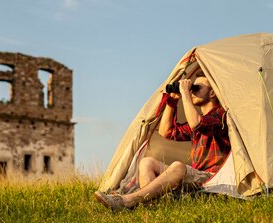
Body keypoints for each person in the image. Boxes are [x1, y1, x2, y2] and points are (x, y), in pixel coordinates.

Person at [94, 72, 230, 210]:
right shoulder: (198, 119)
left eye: (197, 88)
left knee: (178, 166)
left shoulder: (222, 115)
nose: (192, 90)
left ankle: (127, 201)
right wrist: (172, 102)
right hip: (197, 176)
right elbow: (166, 131)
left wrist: (185, 93)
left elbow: (197, 124)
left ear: (212, 93)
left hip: (213, 179)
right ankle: (150, 204)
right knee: (147, 162)